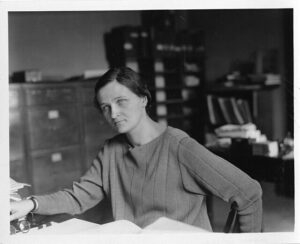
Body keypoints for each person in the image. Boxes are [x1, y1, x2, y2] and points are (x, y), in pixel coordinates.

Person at [10, 67, 263, 232]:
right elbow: (79, 197)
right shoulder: (111, 151)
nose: (114, 113)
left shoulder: (180, 147)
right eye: (105, 107)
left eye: (121, 101)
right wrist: (30, 204)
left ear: (143, 99)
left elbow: (249, 194)